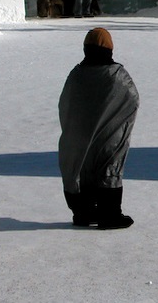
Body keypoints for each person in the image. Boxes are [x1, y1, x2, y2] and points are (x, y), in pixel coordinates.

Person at [58, 27, 139, 230]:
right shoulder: (116, 75)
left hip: (78, 136)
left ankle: (83, 213)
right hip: (110, 135)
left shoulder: (76, 74)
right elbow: (131, 98)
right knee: (108, 166)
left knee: (80, 167)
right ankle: (109, 215)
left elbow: (65, 104)